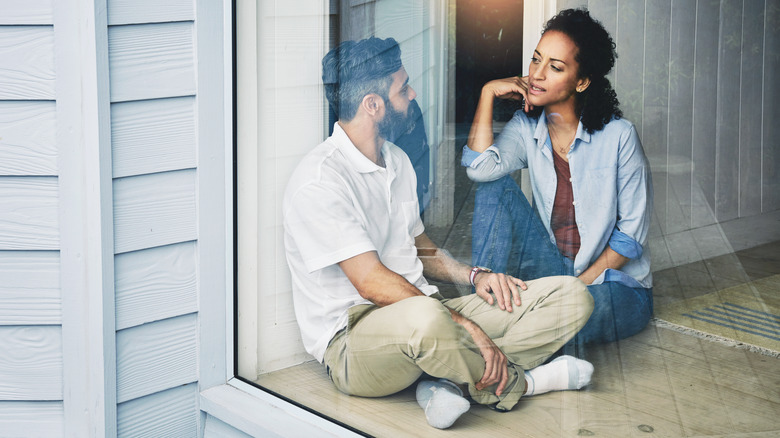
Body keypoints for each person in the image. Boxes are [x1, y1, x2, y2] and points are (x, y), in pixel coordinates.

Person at [283, 36, 595, 429]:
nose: (413, 94)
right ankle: (524, 383)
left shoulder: (396, 160)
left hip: (426, 310)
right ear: (373, 105)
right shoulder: (320, 181)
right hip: (354, 340)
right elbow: (371, 284)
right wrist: (464, 325)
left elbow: (421, 249)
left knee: (572, 297)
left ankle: (443, 381)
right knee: (429, 321)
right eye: (403, 88)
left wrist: (475, 276)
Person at [462, 8, 654, 351]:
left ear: (582, 81)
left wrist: (574, 287)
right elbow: (480, 169)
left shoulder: (619, 136)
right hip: (551, 268)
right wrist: (488, 92)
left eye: (555, 67)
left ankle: (488, 350)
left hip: (611, 284)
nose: (536, 74)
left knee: (569, 317)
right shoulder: (526, 129)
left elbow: (630, 236)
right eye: (536, 60)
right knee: (494, 186)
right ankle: (484, 293)